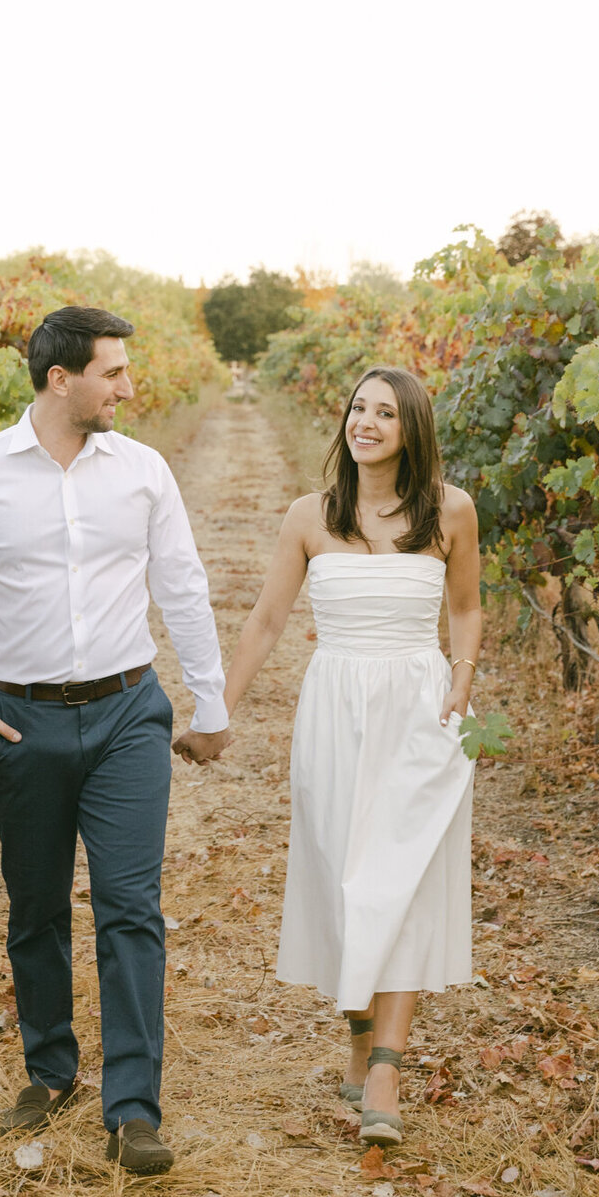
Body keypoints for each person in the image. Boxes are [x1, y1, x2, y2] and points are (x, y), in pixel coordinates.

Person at [0, 305, 230, 1175]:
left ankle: (133, 1111)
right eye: (113, 372)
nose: (129, 386)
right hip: (23, 722)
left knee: (130, 910)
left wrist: (210, 699)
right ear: (62, 380)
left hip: (129, 713)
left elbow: (184, 586)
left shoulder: (144, 472)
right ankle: (50, 1071)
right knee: (36, 906)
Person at [221, 366, 481, 1146]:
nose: (365, 422)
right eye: (358, 408)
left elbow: (465, 611)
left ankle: (387, 1069)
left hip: (419, 708)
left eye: (386, 414)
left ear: (412, 431)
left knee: (402, 881)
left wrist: (460, 687)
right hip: (333, 710)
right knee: (343, 881)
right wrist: (218, 709)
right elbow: (267, 620)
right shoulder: (309, 516)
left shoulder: (451, 512)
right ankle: (360, 1034)